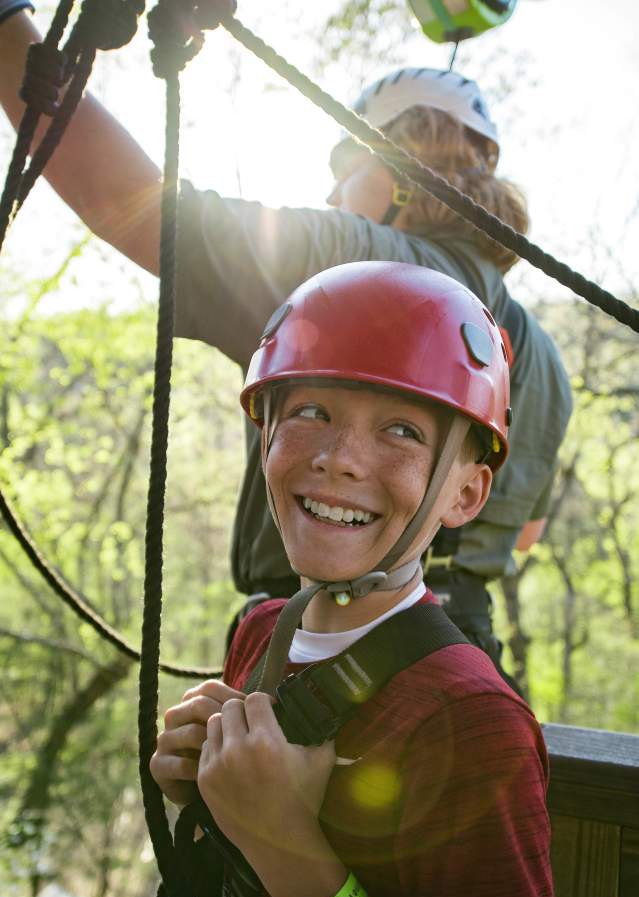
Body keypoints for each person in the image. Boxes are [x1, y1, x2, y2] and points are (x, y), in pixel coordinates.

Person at [0, 6, 572, 686]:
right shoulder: (543, 359)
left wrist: (10, 33)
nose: (331, 189)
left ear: (397, 171)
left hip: (319, 648)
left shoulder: (348, 264)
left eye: (346, 165)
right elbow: (523, 538)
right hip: (460, 656)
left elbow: (138, 210)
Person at [150, 262, 561, 897]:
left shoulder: (469, 721)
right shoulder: (261, 633)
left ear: (465, 493)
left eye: (402, 431)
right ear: (267, 436)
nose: (339, 459)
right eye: (312, 412)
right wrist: (207, 795)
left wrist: (283, 841)